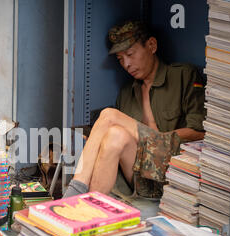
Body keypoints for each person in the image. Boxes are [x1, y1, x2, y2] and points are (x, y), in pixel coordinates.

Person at [64, 20, 206, 199]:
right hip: (142, 179)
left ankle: (74, 191)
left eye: (130, 54)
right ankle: (87, 206)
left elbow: (199, 132)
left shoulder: (183, 75)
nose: (126, 64)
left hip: (175, 171)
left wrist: (160, 139)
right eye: (121, 59)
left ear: (152, 45)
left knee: (109, 115)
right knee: (115, 134)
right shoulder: (127, 92)